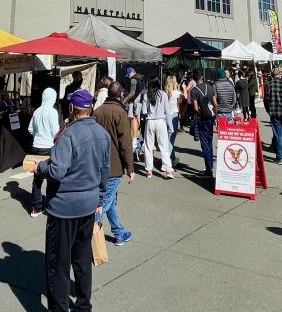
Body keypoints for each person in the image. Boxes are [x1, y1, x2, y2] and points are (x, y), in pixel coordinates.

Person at [30, 90, 110, 312]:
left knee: (58, 264)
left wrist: (40, 167)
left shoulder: (69, 135)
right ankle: (84, 305)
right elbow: (105, 171)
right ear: (90, 108)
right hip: (88, 204)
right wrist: (100, 198)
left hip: (64, 208)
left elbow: (56, 171)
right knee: (82, 259)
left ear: (73, 109)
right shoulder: (102, 134)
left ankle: (60, 308)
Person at [93, 81, 135, 246]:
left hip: (98, 163)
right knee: (104, 203)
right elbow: (125, 144)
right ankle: (90, 237)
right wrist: (130, 168)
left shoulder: (97, 111)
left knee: (110, 201)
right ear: (121, 95)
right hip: (113, 166)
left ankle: (119, 232)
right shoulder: (120, 112)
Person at [27, 88, 61, 217]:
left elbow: (30, 129)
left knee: (37, 178)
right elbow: (56, 132)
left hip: (36, 146)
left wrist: (38, 135)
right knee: (51, 176)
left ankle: (36, 207)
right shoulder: (52, 112)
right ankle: (51, 205)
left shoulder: (37, 111)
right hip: (48, 147)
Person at [137, 76, 174, 179]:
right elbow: (167, 112)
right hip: (161, 121)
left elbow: (144, 111)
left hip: (150, 121)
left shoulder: (146, 95)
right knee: (164, 146)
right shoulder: (163, 94)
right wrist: (170, 127)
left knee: (148, 146)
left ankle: (149, 170)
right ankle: (167, 170)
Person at [187, 70, 217, 176]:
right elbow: (215, 104)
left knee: (204, 143)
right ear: (202, 77)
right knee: (209, 141)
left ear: (194, 80)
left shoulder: (194, 90)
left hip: (202, 119)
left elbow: (195, 107)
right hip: (211, 117)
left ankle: (208, 169)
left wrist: (200, 114)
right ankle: (210, 165)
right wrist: (215, 115)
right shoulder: (210, 87)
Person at [165, 74, 182, 149]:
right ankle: (167, 158)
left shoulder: (164, 92)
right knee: (172, 138)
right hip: (174, 114)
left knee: (167, 136)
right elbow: (184, 97)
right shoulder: (176, 92)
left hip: (165, 115)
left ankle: (172, 157)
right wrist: (184, 88)